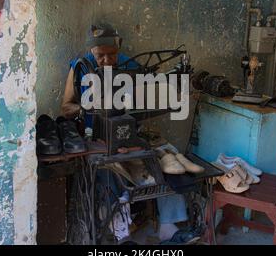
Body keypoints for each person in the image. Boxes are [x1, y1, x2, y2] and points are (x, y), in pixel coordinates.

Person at [61, 22, 188, 242]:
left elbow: (141, 99)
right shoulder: (80, 67)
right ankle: (119, 228)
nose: (108, 60)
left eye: (112, 54)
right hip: (95, 138)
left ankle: (168, 223)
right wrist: (87, 107)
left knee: (168, 159)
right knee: (109, 171)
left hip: (128, 133)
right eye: (101, 55)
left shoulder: (130, 64)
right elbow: (65, 107)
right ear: (91, 50)